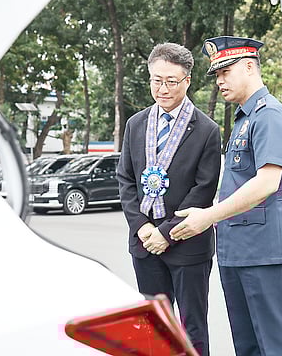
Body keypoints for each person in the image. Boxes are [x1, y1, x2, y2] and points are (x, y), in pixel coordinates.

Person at [170, 36, 282, 355]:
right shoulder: (245, 118)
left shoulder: (268, 114)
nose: (219, 81)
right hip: (239, 249)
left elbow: (267, 182)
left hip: (263, 249)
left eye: (225, 72)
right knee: (248, 344)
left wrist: (208, 216)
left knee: (274, 342)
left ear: (249, 67)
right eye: (216, 74)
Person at [117, 42, 221, 355]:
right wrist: (143, 227)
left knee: (192, 328)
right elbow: (125, 179)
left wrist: (165, 233)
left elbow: (204, 189)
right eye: (156, 80)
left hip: (188, 244)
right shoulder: (136, 124)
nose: (162, 89)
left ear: (187, 81)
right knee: (152, 326)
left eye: (171, 82)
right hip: (144, 243)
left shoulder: (206, 130)